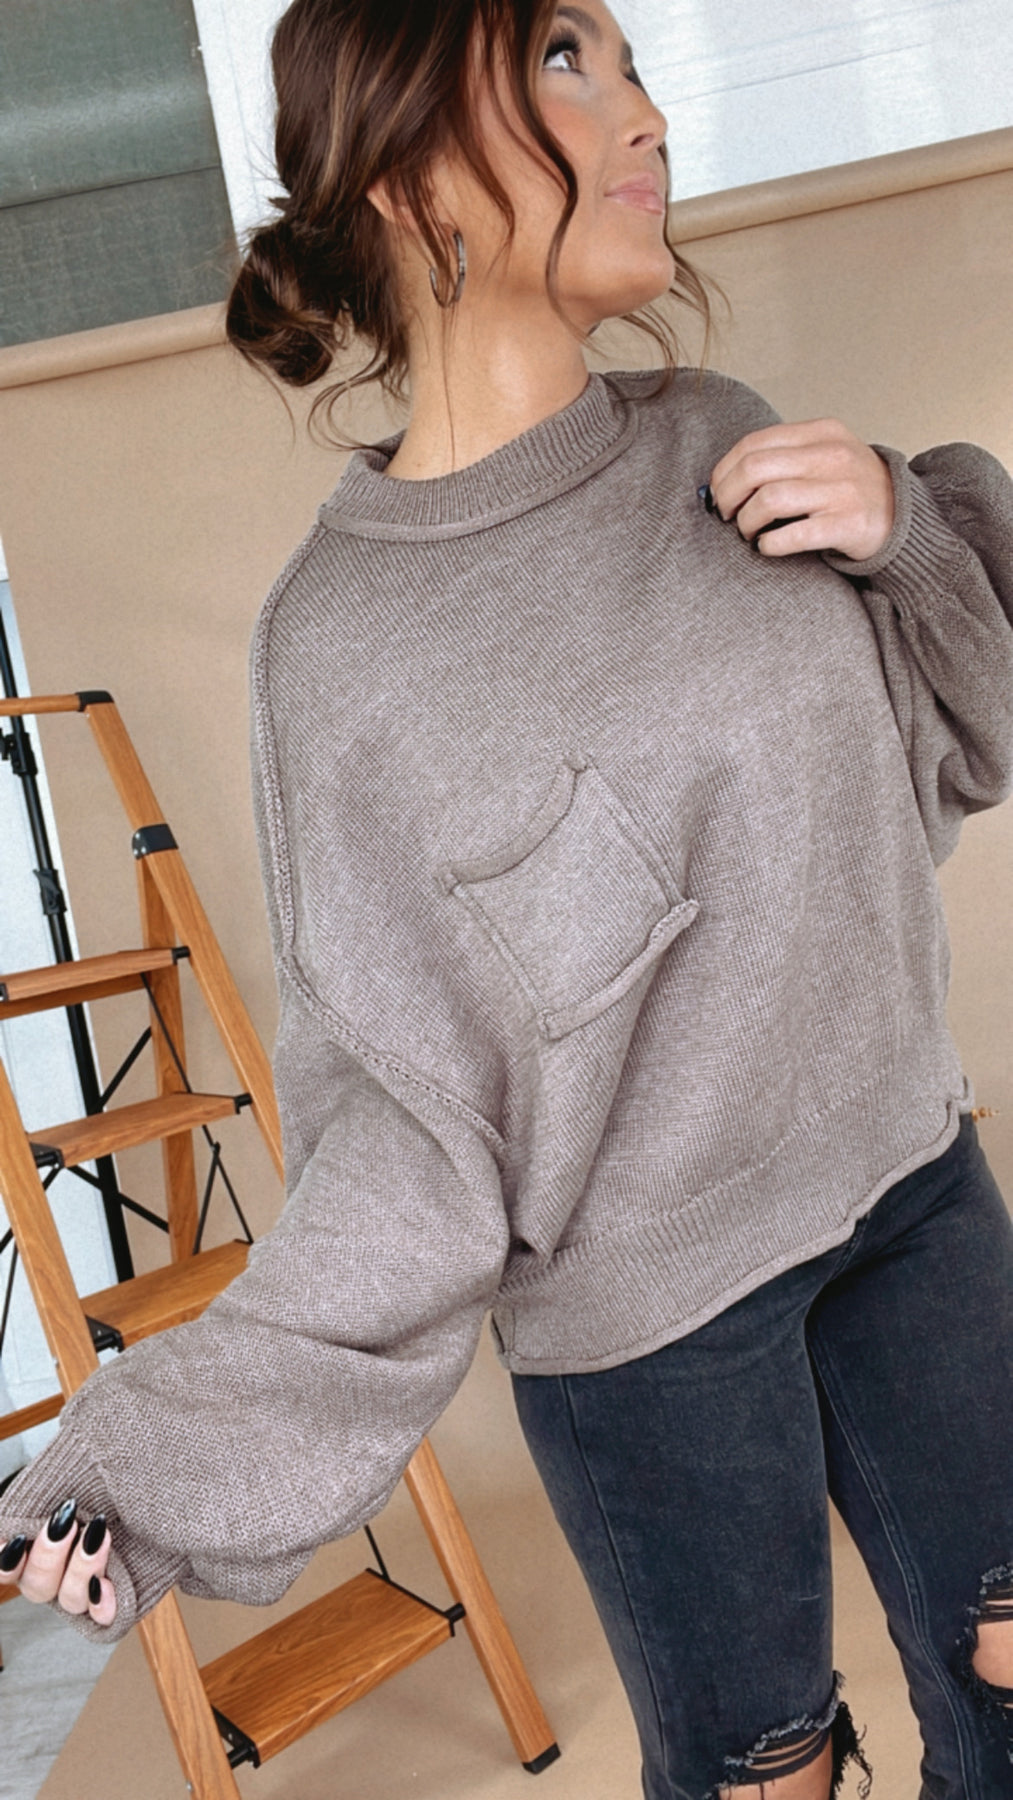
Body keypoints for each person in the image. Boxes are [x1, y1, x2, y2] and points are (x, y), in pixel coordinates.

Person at [2, 1, 1012, 1793]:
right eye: (561, 58)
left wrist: (905, 535)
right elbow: (407, 1139)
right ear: (408, 177)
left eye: (628, 62)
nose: (641, 114)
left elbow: (957, 747)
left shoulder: (723, 437)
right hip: (651, 1335)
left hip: (912, 1192)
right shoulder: (342, 652)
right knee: (765, 1779)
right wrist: (143, 1480)